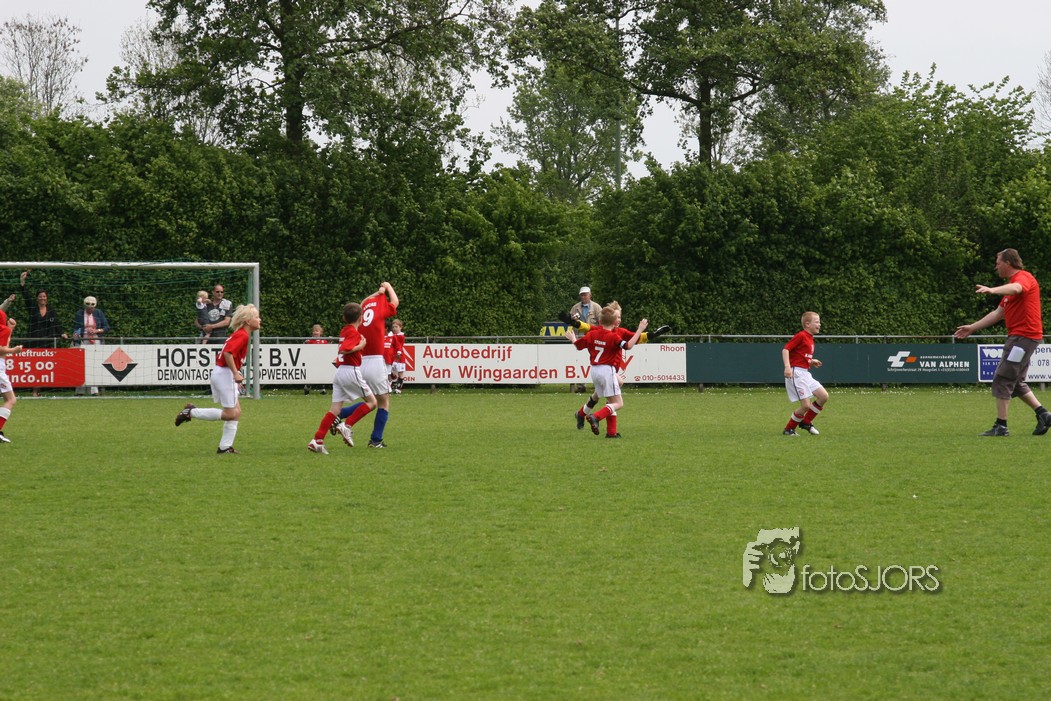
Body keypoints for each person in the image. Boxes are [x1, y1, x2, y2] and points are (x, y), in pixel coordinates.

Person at [954, 248, 1051, 437]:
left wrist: (992, 290)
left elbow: (1017, 288)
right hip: (1021, 337)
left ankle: (1001, 426)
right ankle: (1044, 415)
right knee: (1015, 381)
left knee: (1003, 378)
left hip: (1023, 337)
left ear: (1008, 262)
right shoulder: (1010, 288)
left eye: (998, 263)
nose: (996, 266)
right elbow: (998, 314)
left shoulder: (1022, 278)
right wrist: (972, 327)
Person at [564, 303, 671, 429]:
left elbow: (638, 338)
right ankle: (603, 424)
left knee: (603, 392)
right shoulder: (612, 335)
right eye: (617, 317)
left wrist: (653, 334)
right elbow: (628, 344)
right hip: (607, 370)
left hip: (596, 370)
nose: (619, 319)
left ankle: (581, 414)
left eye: (620, 317)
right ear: (613, 320)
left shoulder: (616, 332)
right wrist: (575, 323)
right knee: (616, 400)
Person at [175, 304, 262, 453]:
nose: (259, 319)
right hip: (225, 374)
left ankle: (225, 447)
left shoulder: (241, 334)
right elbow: (228, 353)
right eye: (256, 317)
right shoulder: (242, 335)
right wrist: (235, 373)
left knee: (236, 412)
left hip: (223, 373)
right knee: (231, 413)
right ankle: (191, 412)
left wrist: (235, 375)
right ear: (248, 321)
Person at [331, 282, 399, 448]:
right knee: (383, 403)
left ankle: (339, 414)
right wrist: (388, 287)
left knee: (371, 400)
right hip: (376, 362)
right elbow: (395, 302)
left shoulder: (361, 312)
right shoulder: (381, 310)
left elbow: (362, 302)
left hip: (360, 362)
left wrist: (376, 293)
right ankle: (375, 440)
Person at [307, 304, 375, 454]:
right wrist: (361, 345)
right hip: (351, 371)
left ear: (344, 318)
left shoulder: (345, 330)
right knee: (372, 402)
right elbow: (344, 349)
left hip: (340, 372)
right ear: (361, 318)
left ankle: (317, 440)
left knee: (335, 410)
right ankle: (346, 425)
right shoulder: (354, 333)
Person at [19, 270, 68, 396]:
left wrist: (61, 334)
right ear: (37, 298)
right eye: (40, 296)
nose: (42, 298)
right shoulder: (32, 308)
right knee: (33, 365)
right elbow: (25, 296)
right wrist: (22, 282)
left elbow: (56, 324)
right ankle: (34, 390)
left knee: (43, 366)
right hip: (33, 341)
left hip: (46, 343)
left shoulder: (51, 310)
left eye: (44, 296)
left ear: (47, 298)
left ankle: (38, 389)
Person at [782, 311, 828, 436]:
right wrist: (787, 367)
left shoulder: (810, 338)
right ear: (807, 324)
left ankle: (806, 422)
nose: (819, 324)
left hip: (805, 373)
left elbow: (800, 355)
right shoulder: (801, 335)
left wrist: (811, 361)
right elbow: (786, 349)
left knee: (823, 396)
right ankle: (789, 429)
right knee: (806, 406)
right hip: (796, 373)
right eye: (817, 322)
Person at [72, 296, 111, 396]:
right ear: (85, 306)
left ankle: (94, 391)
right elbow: (76, 328)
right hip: (83, 340)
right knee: (81, 365)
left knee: (94, 365)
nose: (90, 309)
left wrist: (96, 331)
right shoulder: (79, 314)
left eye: (92, 308)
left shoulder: (99, 313)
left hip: (96, 341)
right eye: (88, 308)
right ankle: (80, 391)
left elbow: (106, 327)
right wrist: (76, 334)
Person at [568, 287, 602, 392]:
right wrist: (572, 320)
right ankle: (581, 385)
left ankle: (598, 384)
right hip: (580, 338)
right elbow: (569, 322)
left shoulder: (596, 307)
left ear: (590, 295)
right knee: (579, 361)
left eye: (585, 294)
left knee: (595, 361)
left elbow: (602, 323)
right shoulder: (575, 308)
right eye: (582, 295)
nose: (583, 297)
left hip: (594, 339)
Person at [0, 305, 25, 443]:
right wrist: (14, 351)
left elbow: (3, 344)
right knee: (11, 400)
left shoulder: (4, 330)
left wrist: (10, 329)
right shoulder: (2, 329)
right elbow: (1, 350)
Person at [304, 324, 329, 395]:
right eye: (314, 331)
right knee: (312, 374)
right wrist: (305, 343)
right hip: (312, 361)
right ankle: (307, 386)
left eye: (317, 331)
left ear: (321, 332)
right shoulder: (310, 340)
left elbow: (328, 349)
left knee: (321, 374)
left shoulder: (324, 341)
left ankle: (322, 388)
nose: (315, 332)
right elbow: (304, 349)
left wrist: (330, 342)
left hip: (321, 361)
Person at [387, 318, 406, 394]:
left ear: (400, 327)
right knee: (392, 372)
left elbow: (399, 346)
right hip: (393, 356)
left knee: (400, 373)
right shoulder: (393, 335)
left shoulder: (400, 336)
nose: (394, 328)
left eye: (396, 327)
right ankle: (392, 385)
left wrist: (398, 353)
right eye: (393, 327)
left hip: (399, 356)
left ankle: (399, 389)